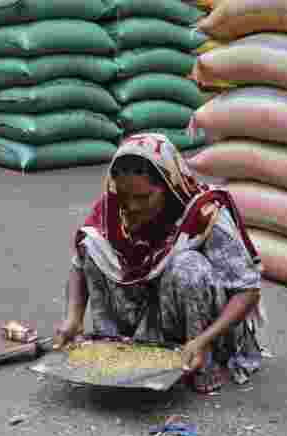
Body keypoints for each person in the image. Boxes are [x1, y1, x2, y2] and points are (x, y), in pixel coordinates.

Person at [51, 133, 266, 393]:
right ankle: (114, 347)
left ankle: (203, 359)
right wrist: (73, 318)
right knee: (94, 244)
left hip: (204, 331)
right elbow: (80, 264)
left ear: (169, 184)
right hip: (146, 321)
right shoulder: (112, 210)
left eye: (144, 198)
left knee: (187, 266)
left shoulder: (203, 214)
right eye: (125, 196)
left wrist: (203, 340)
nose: (132, 206)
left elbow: (248, 290)